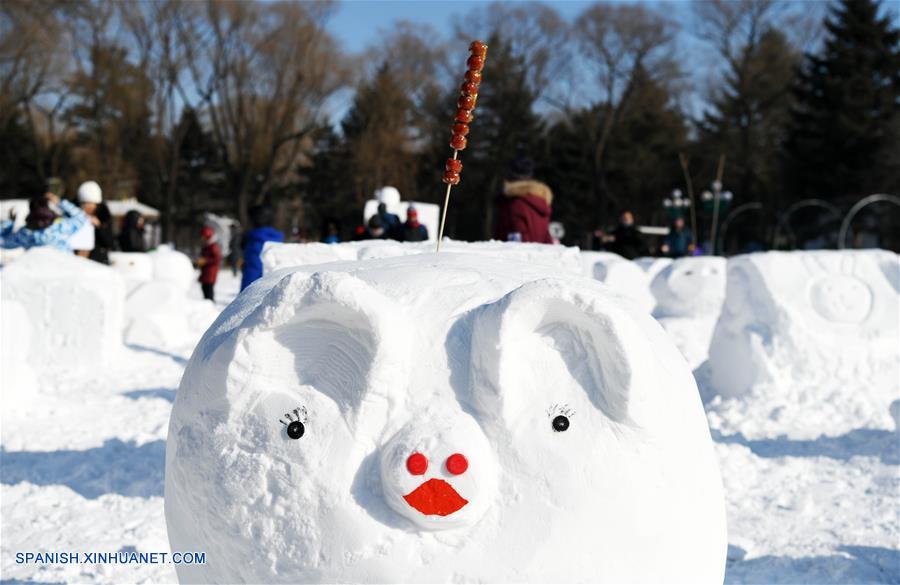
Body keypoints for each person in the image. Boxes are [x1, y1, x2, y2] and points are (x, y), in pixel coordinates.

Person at [493, 156, 553, 244]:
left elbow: (517, 241)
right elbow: (547, 238)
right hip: (539, 256)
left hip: (514, 256)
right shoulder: (541, 200)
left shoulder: (515, 203)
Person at [1, 191, 89, 250]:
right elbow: (81, 217)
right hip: (66, 272)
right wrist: (60, 202)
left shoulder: (25, 234)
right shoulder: (60, 228)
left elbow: (4, 242)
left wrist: (9, 223)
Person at [241, 203, 284, 291]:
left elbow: (253, 271)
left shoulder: (255, 241)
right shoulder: (277, 240)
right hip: (273, 288)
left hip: (254, 291)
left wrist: (244, 295)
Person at [72, 180, 102, 257]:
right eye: (85, 203)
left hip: (96, 260)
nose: (88, 206)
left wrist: (99, 226)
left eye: (91, 203)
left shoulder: (103, 216)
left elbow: (108, 242)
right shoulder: (72, 215)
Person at [197, 225, 222, 302]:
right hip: (205, 272)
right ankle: (207, 306)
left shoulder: (213, 246)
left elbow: (217, 259)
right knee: (204, 288)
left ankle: (210, 306)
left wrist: (205, 261)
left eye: (203, 236)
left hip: (210, 273)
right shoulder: (206, 246)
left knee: (209, 290)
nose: (202, 238)